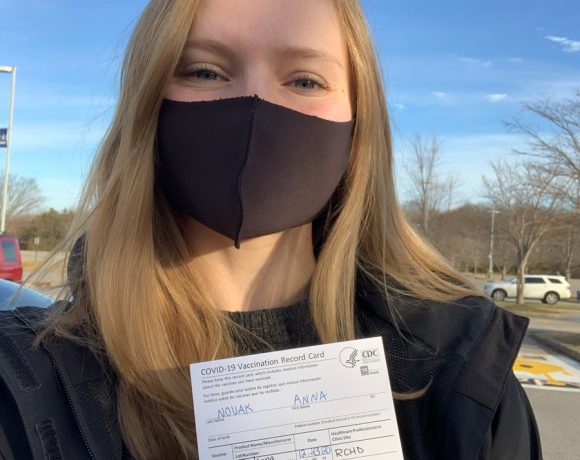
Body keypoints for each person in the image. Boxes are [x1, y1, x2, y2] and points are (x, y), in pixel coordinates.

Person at [0, 0, 541, 459]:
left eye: (305, 80)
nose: (255, 106)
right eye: (204, 72)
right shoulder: (25, 382)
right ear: (147, 107)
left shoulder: (459, 379)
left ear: (358, 132)